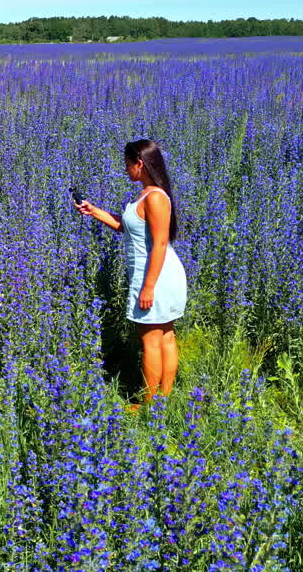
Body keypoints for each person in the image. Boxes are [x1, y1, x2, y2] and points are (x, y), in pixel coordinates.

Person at [75, 139, 187, 407]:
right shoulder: (146, 194)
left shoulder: (156, 197)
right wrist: (94, 211)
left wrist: (148, 287)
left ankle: (149, 405)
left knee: (152, 340)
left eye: (127, 165)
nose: (126, 171)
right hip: (156, 273)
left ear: (140, 164)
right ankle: (162, 401)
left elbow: (160, 243)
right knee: (165, 337)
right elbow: (127, 228)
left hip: (156, 275)